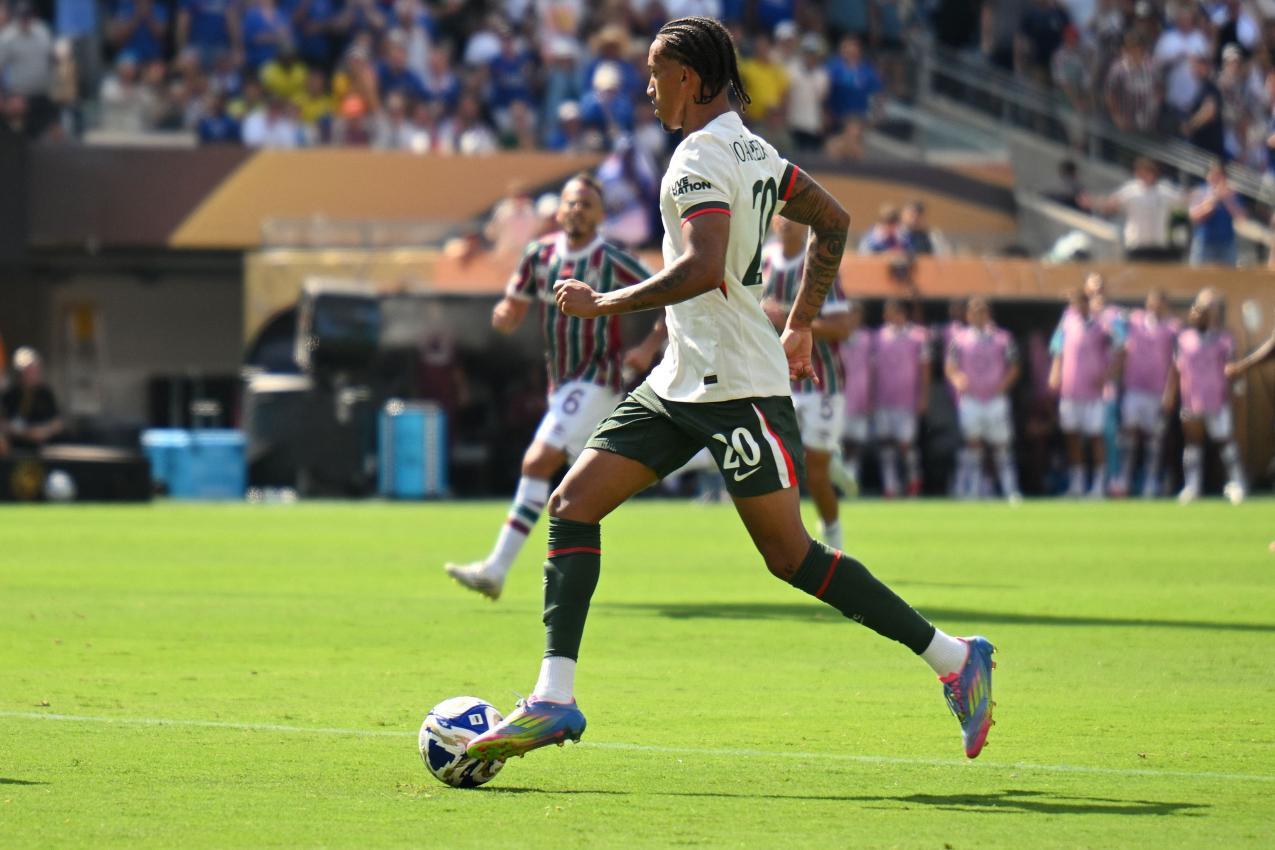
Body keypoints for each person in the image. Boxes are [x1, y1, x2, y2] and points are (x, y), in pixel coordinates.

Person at [464, 17, 995, 766]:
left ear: (690, 76)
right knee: (573, 503)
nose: (648, 86)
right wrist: (802, 324)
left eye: (656, 71)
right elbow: (831, 221)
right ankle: (553, 697)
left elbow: (704, 267)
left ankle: (951, 656)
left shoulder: (694, 161)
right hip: (683, 377)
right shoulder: (755, 150)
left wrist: (605, 305)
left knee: (790, 557)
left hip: (738, 384)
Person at [443, 173, 662, 601]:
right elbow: (514, 302)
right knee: (605, 477)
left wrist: (649, 345)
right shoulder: (538, 255)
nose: (577, 210)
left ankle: (495, 569)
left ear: (600, 215)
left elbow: (667, 295)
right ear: (559, 210)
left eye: (586, 204)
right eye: (571, 203)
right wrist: (506, 313)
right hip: (561, 383)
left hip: (597, 377)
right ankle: (711, 456)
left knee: (537, 461)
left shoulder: (613, 261)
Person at [760, 217, 852, 549]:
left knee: (814, 474)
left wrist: (787, 319)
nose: (788, 222)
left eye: (796, 216)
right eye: (782, 214)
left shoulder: (820, 265)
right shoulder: (763, 262)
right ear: (772, 220)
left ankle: (834, 540)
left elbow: (842, 327)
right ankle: (791, 542)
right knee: (777, 465)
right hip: (775, 381)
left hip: (820, 382)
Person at [1166, 289, 1246, 504]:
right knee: (1193, 444)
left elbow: (1233, 369)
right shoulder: (1183, 338)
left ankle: (1237, 483)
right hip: (1192, 399)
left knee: (1225, 443)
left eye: (1203, 312)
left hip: (1217, 399)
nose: (1198, 316)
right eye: (1195, 312)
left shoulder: (1224, 339)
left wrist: (1237, 392)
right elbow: (1176, 369)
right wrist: (1169, 395)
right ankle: (1192, 486)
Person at [946, 297, 1022, 502]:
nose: (977, 315)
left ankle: (1010, 490)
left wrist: (1003, 385)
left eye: (982, 311)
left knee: (1001, 445)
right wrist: (957, 378)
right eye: (973, 311)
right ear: (968, 315)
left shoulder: (1003, 338)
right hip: (971, 399)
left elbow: (1015, 365)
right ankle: (971, 490)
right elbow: (950, 366)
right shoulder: (959, 338)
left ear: (988, 314)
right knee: (973, 445)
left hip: (995, 399)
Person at [1049, 288, 1116, 497]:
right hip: (1070, 390)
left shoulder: (1103, 325)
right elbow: (1057, 350)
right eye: (1073, 304)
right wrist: (1055, 373)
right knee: (1072, 437)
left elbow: (1120, 350)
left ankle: (1098, 485)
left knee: (1096, 437)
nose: (1076, 307)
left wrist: (1107, 376)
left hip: (1094, 392)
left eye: (1079, 303)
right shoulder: (1066, 323)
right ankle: (1077, 484)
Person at [1112, 289, 1179, 498]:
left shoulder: (1172, 328)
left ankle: (1151, 480)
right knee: (1129, 434)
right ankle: (1124, 478)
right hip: (1134, 388)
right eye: (1152, 302)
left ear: (1165, 305)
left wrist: (1170, 392)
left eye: (1160, 303)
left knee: (1155, 439)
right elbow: (1113, 324)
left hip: (1157, 390)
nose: (1155, 306)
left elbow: (1175, 363)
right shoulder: (1134, 321)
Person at [873, 298, 930, 498]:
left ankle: (913, 481)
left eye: (894, 311)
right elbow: (873, 370)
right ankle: (891, 486)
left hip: (906, 400)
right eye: (888, 311)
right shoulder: (878, 337)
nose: (890, 315)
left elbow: (925, 369)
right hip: (883, 399)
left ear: (902, 313)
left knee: (906, 445)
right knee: (886, 444)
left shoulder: (918, 336)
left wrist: (923, 396)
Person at [1081, 157, 1183, 261]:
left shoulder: (1165, 191)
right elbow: (1111, 203)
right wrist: (1094, 203)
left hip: (1158, 244)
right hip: (1136, 244)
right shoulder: (1131, 191)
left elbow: (1183, 201)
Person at [838, 301, 872, 496]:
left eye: (856, 314)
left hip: (861, 399)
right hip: (840, 399)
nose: (853, 318)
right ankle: (840, 482)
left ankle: (852, 480)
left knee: (856, 443)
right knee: (839, 443)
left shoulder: (868, 338)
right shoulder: (835, 337)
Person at [1, 347, 64, 452]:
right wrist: (23, 432)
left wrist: (44, 431)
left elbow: (57, 422)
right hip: (15, 447)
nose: (33, 374)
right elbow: (3, 422)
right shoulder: (10, 394)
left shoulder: (45, 393)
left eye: (35, 370)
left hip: (44, 448)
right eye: (29, 371)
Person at [1187, 160, 1246, 267]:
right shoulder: (1200, 192)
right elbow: (1194, 216)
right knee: (1199, 278)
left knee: (1228, 280)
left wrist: (1228, 200)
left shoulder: (1232, 194)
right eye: (1213, 174)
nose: (1215, 178)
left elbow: (1241, 218)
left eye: (1219, 174)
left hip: (1227, 243)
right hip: (1204, 242)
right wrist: (1212, 202)